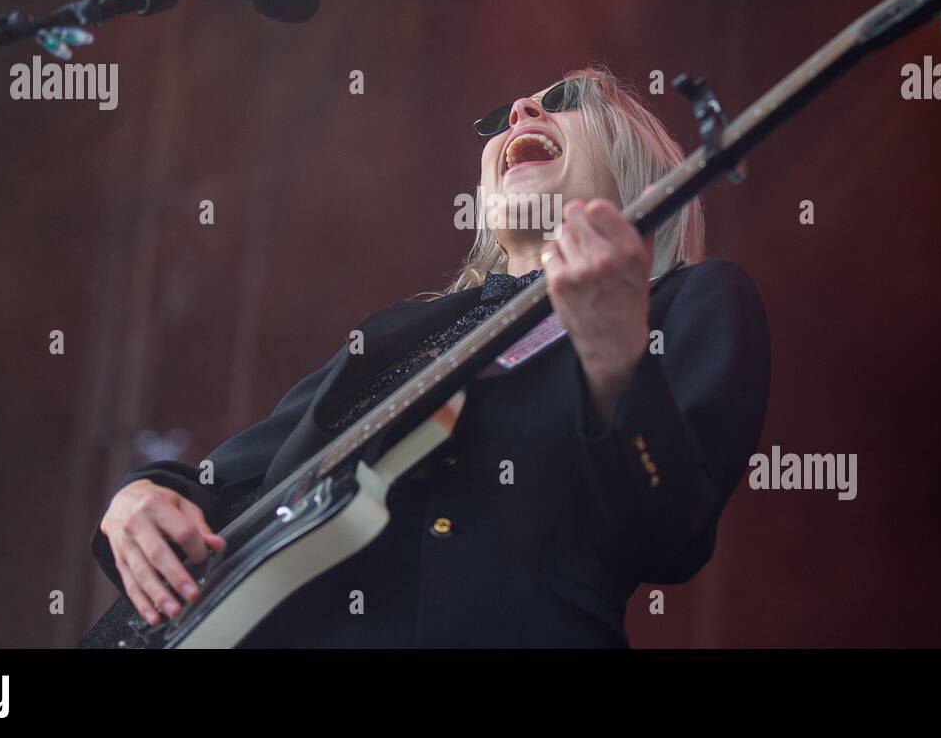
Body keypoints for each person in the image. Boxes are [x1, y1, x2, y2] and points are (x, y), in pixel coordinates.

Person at [89, 64, 770, 647]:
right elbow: (236, 479)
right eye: (505, 117)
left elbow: (670, 534)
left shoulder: (688, 301)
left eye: (562, 104)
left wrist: (616, 357)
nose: (521, 110)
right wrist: (142, 495)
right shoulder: (405, 327)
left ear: (636, 164)